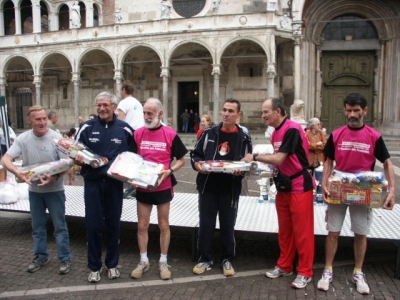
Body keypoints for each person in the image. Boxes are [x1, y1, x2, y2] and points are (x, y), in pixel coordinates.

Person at [317, 93, 395, 295]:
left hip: (364, 188)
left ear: (364, 111)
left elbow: (387, 162)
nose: (352, 114)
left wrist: (392, 191)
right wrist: (325, 183)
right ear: (345, 110)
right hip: (339, 186)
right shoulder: (336, 134)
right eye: (349, 110)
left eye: (356, 110)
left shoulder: (374, 136)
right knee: (333, 231)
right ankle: (327, 270)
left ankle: (358, 271)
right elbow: (328, 161)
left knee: (360, 233)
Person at [243, 98, 315, 289]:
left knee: (303, 232)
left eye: (266, 111)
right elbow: (278, 162)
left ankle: (305, 272)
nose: (263, 115)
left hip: (299, 186)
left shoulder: (291, 129)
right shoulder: (275, 133)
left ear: (278, 111)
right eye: (262, 112)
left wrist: (255, 156)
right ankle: (285, 266)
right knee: (285, 230)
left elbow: (279, 157)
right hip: (283, 186)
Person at [1, 105, 71, 275]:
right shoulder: (23, 138)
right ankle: (40, 256)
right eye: (37, 119)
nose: (42, 122)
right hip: (34, 192)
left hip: (55, 191)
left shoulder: (56, 138)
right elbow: (6, 159)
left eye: (44, 118)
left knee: (60, 227)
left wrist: (53, 177)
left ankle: (64, 258)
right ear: (29, 120)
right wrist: (17, 172)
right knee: (37, 227)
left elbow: (67, 163)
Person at [75, 92, 133, 283]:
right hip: (92, 184)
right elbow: (74, 150)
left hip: (115, 185)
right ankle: (94, 267)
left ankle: (112, 264)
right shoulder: (87, 127)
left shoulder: (125, 129)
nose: (102, 108)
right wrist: (76, 158)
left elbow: (134, 157)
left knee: (114, 225)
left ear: (114, 106)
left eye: (105, 105)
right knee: (93, 225)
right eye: (98, 105)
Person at [191, 98, 252, 277]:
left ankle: (227, 259)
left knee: (228, 225)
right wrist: (197, 166)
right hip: (208, 186)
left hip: (230, 188)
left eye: (231, 111)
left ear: (238, 115)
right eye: (224, 110)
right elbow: (195, 155)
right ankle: (205, 259)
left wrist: (240, 170)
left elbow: (247, 163)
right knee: (206, 224)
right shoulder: (209, 133)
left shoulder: (244, 137)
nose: (226, 113)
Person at [130, 98, 187, 280]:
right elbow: (131, 159)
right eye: (145, 113)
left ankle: (163, 261)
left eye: (150, 113)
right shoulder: (138, 134)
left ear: (160, 114)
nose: (146, 116)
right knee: (142, 225)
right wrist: (131, 176)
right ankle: (143, 260)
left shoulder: (169, 134)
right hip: (143, 187)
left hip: (163, 186)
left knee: (164, 225)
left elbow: (181, 160)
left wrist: (170, 171)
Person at [116, 80, 144, 198]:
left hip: (128, 134)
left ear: (123, 90)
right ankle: (135, 186)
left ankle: (129, 188)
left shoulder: (124, 103)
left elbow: (119, 121)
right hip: (139, 134)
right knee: (135, 160)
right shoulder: (138, 103)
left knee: (124, 161)